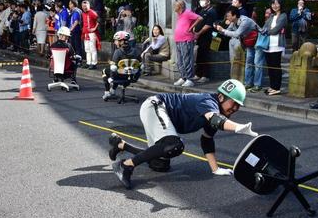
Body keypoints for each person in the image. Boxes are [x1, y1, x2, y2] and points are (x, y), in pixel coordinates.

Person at [108, 79, 258, 189]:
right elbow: (215, 119)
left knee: (160, 164)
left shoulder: (216, 111)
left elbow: (207, 140)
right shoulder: (208, 101)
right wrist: (238, 127)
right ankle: (125, 166)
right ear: (221, 97)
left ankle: (121, 145)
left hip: (161, 114)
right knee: (173, 145)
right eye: (234, 103)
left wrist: (215, 169)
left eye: (239, 105)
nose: (236, 108)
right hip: (156, 106)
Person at [215, 6, 260, 89]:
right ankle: (248, 83)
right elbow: (227, 32)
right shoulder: (233, 22)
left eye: (228, 16)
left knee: (257, 63)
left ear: (234, 16)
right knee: (249, 63)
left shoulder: (244, 21)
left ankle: (257, 85)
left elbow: (236, 34)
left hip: (258, 42)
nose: (227, 18)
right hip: (249, 43)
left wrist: (223, 30)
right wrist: (219, 29)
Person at [259, 0, 288, 96]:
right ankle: (272, 86)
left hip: (277, 45)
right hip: (268, 45)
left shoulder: (283, 16)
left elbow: (276, 30)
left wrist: (267, 32)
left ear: (281, 5)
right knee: (270, 67)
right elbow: (264, 27)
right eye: (273, 4)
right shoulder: (271, 16)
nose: (274, 6)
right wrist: (266, 31)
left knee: (276, 66)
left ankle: (277, 87)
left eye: (277, 3)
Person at [102, 31, 141, 100]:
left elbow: (114, 67)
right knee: (117, 70)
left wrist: (111, 75)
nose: (114, 42)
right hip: (131, 76)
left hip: (119, 76)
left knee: (105, 71)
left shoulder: (118, 52)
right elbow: (140, 64)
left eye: (116, 40)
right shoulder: (136, 51)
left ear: (121, 41)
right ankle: (113, 90)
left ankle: (108, 92)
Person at [173, 0, 203, 87]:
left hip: (186, 39)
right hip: (178, 39)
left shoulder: (187, 13)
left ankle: (190, 78)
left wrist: (191, 27)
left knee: (187, 60)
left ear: (180, 6)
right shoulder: (180, 15)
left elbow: (200, 18)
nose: (174, 7)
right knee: (180, 61)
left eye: (175, 5)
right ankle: (183, 77)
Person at [194, 0, 218, 83]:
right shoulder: (201, 10)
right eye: (201, 0)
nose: (201, 1)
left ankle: (205, 75)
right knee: (199, 55)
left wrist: (198, 33)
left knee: (205, 56)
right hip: (200, 38)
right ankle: (198, 74)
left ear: (208, 2)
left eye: (203, 0)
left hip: (207, 37)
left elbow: (207, 25)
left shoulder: (212, 12)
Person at [81, 0, 100, 69]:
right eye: (83, 6)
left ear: (88, 6)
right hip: (86, 33)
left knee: (92, 48)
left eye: (85, 6)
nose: (84, 7)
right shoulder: (83, 14)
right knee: (87, 49)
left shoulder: (92, 12)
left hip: (92, 33)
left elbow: (98, 20)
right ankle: (88, 62)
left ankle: (94, 63)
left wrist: (94, 28)